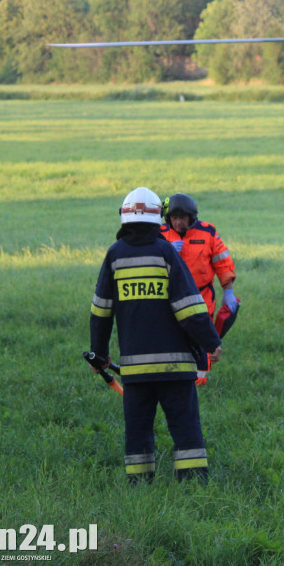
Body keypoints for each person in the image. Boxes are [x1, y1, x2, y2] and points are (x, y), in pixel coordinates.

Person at [89, 187, 223, 483]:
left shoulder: (115, 256)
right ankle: (193, 486)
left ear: (124, 218)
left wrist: (99, 354)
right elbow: (188, 306)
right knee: (185, 427)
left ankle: (138, 486)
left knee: (137, 431)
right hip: (175, 367)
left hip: (136, 370)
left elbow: (101, 311)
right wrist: (211, 341)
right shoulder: (165, 253)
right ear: (158, 218)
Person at [160, 193, 239, 384]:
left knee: (201, 337)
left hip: (201, 296)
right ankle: (172, 377)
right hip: (169, 297)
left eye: (182, 218)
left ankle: (200, 381)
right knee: (171, 337)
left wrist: (228, 291)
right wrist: (167, 251)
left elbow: (222, 262)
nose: (178, 222)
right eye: (174, 218)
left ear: (191, 217)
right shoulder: (159, 234)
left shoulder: (208, 232)